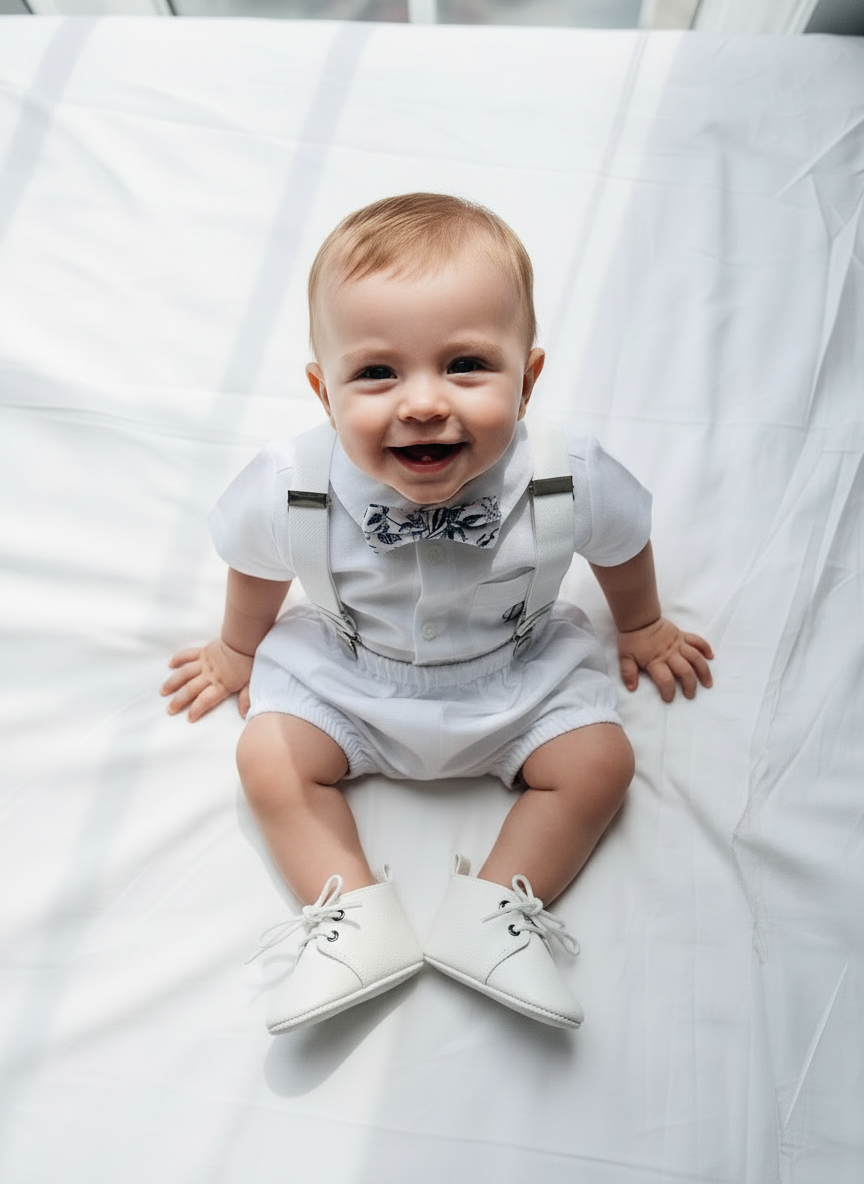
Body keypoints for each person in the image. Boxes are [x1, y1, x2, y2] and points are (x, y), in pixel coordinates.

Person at [161, 193, 713, 1035]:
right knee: (267, 755)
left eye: (465, 366)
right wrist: (238, 649)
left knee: (601, 762)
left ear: (527, 380)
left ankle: (493, 913)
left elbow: (622, 542)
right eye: (377, 373)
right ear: (324, 390)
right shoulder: (290, 484)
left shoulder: (571, 476)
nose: (422, 402)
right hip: (352, 678)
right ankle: (350, 916)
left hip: (518, 677)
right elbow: (253, 562)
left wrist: (639, 625)